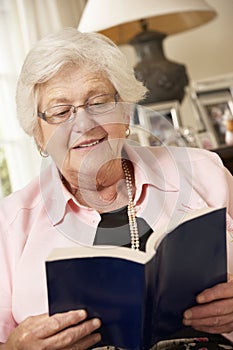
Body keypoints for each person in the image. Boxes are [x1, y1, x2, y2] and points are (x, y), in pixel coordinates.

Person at [0, 27, 233, 350]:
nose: (82, 124)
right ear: (39, 135)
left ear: (125, 111)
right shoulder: (9, 225)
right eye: (60, 111)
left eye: (98, 102)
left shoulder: (204, 172)